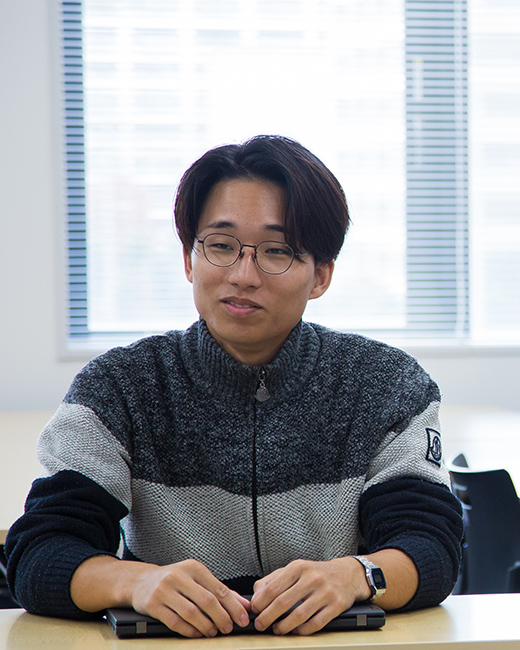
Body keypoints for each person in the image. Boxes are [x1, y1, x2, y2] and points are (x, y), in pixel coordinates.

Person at [4, 135, 463, 637]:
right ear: (189, 259)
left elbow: (431, 547)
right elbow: (39, 554)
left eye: (277, 251)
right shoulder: (119, 388)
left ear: (321, 276)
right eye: (221, 246)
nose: (243, 275)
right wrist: (135, 582)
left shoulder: (386, 385)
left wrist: (356, 575)